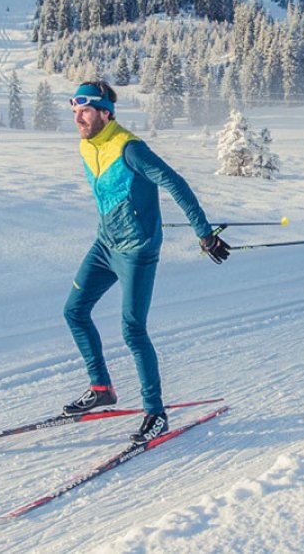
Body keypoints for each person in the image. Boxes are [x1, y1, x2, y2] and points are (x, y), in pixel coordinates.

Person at [61, 81, 230, 442]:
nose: (78, 117)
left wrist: (204, 233)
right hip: (106, 244)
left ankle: (156, 413)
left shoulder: (130, 148)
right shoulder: (87, 145)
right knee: (74, 310)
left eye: (85, 110)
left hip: (137, 249)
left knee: (132, 331)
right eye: (75, 110)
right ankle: (101, 388)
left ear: (106, 112)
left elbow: (175, 183)